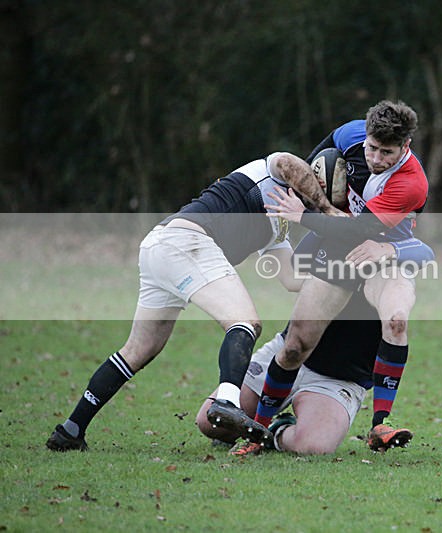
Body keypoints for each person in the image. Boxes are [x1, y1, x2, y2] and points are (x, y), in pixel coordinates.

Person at [45, 152, 337, 452]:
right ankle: (226, 401)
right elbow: (288, 162)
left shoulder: (279, 223)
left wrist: (344, 270)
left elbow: (291, 279)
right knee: (245, 323)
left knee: (138, 350)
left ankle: (71, 430)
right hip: (185, 242)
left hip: (161, 248)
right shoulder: (274, 173)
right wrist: (327, 212)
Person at [228, 100, 429, 455]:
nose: (377, 159)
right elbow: (313, 165)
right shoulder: (351, 134)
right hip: (336, 242)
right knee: (294, 345)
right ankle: (259, 429)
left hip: (383, 252)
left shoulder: (411, 183)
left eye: (387, 152)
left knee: (396, 320)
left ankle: (380, 422)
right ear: (363, 136)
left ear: (405, 148)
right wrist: (314, 193)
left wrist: (305, 214)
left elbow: (361, 232)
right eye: (371, 148)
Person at [195, 236, 435, 455]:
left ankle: (277, 432)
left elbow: (424, 252)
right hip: (285, 354)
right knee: (210, 422)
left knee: (312, 446)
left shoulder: (399, 255)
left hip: (339, 379)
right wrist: (273, 232)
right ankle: (253, 424)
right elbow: (293, 274)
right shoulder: (331, 234)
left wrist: (387, 250)